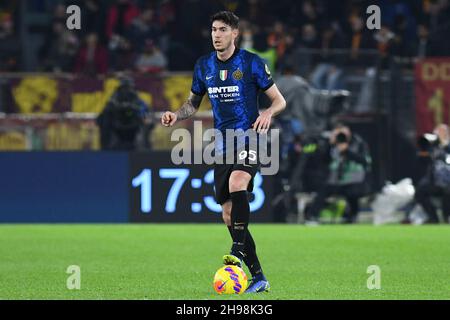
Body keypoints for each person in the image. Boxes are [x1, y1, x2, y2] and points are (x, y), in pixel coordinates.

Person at [161, 11, 286, 293]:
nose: (216, 35)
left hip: (251, 137)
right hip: (222, 145)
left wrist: (267, 112)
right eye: (214, 30)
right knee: (228, 214)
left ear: (234, 34)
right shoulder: (203, 65)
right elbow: (193, 103)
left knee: (237, 183)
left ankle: (236, 251)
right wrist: (175, 115)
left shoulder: (252, 63)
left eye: (222, 30)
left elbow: (280, 101)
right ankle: (259, 277)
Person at [306, 123, 372, 224]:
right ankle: (312, 217)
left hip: (353, 179)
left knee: (352, 192)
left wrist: (347, 151)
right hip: (336, 181)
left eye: (343, 132)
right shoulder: (332, 145)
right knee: (322, 191)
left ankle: (352, 217)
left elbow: (365, 161)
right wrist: (329, 145)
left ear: (349, 132)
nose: (342, 136)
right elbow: (323, 162)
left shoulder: (358, 143)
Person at [414, 124, 450, 224]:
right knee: (419, 193)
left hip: (447, 182)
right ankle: (434, 218)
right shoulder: (432, 146)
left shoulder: (448, 146)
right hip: (434, 181)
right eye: (438, 132)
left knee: (448, 192)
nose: (440, 134)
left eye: (443, 132)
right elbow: (422, 159)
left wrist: (444, 145)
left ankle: (446, 217)